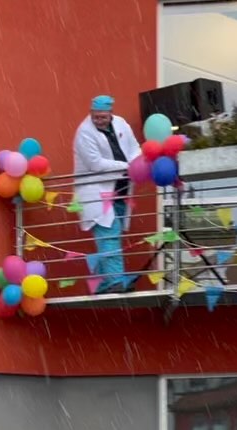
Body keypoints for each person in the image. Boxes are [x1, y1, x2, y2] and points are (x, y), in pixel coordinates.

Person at [73, 95, 141, 294]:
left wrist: (137, 162)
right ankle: (115, 281)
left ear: (111, 114)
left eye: (103, 117)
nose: (99, 120)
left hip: (120, 189)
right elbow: (96, 164)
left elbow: (134, 147)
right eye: (95, 116)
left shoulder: (121, 124)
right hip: (96, 190)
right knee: (109, 232)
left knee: (112, 233)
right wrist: (127, 167)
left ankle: (101, 284)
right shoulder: (84, 133)